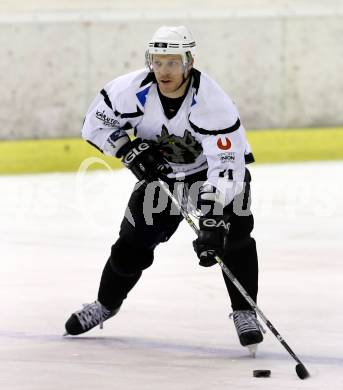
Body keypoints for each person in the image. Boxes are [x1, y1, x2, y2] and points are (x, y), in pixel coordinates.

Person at [64, 26, 264, 350]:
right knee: (131, 246)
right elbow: (95, 123)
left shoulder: (212, 102)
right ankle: (105, 304)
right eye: (157, 62)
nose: (164, 70)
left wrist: (213, 213)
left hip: (209, 176)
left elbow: (227, 165)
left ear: (189, 62)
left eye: (172, 62)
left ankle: (245, 312)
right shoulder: (130, 90)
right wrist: (126, 150)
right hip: (163, 177)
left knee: (235, 235)